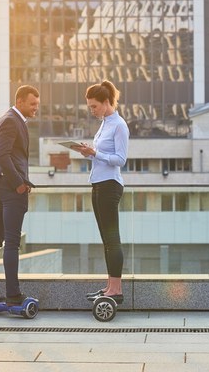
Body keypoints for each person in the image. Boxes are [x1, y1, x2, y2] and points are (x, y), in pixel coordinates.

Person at [0, 85, 40, 305]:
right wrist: (19, 185)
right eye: (32, 104)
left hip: (2, 187)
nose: (36, 108)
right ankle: (13, 295)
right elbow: (3, 156)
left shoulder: (12, 120)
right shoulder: (10, 121)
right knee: (11, 242)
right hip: (9, 189)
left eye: (37, 104)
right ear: (20, 101)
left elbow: (10, 157)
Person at [73, 80, 129, 303]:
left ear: (106, 102)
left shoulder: (119, 125)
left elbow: (120, 160)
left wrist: (95, 154)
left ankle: (116, 289)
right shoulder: (104, 123)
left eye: (94, 106)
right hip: (98, 183)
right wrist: (88, 152)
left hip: (110, 185)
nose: (92, 110)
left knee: (113, 239)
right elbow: (100, 155)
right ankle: (110, 287)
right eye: (90, 107)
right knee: (106, 239)